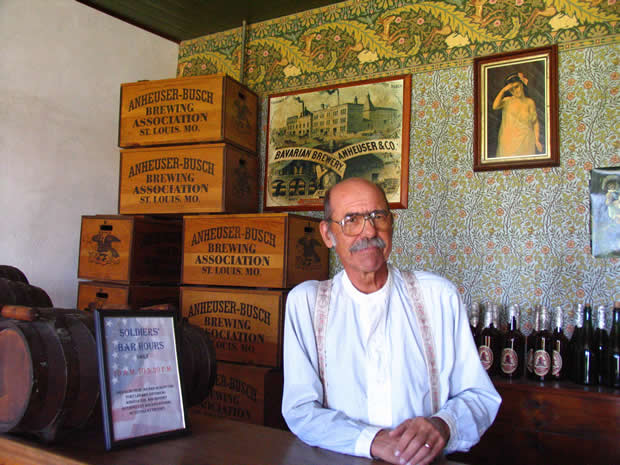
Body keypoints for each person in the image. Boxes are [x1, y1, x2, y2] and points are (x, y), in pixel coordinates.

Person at [282, 177, 501, 465]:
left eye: (378, 216)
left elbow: (478, 395)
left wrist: (443, 424)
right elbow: (300, 410)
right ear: (327, 234)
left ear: (392, 223)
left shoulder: (438, 296)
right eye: (351, 220)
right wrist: (373, 441)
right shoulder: (306, 303)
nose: (369, 230)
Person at [492, 72, 542, 158]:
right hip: (510, 140)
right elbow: (495, 106)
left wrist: (537, 140)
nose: (515, 91)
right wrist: (503, 90)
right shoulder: (507, 101)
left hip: (526, 139)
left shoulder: (529, 102)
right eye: (511, 89)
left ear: (522, 85)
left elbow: (535, 122)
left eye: (517, 87)